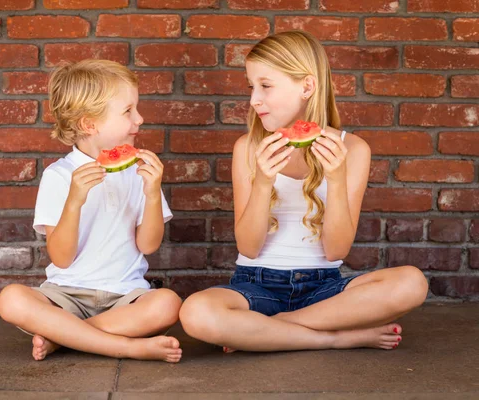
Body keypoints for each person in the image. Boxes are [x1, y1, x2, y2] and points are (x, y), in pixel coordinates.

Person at [179, 30, 428, 353]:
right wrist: (263, 182)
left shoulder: (353, 149)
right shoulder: (247, 148)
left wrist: (336, 181)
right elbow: (249, 247)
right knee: (195, 312)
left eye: (265, 86)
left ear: (307, 86)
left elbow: (336, 251)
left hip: (324, 289)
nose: (254, 99)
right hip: (255, 285)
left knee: (411, 283)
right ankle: (335, 338)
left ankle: (266, 332)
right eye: (251, 87)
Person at [0, 60, 182, 363]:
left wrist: (151, 194)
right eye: (128, 111)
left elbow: (148, 245)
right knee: (11, 299)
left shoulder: (139, 171)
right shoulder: (59, 175)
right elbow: (61, 257)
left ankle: (65, 338)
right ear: (89, 124)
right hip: (66, 296)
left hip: (126, 296)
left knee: (168, 304)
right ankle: (126, 347)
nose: (140, 118)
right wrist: (74, 201)